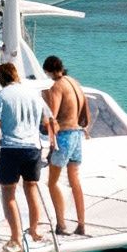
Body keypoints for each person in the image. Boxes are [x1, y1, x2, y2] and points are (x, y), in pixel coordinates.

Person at [0, 61, 53, 252]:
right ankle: (34, 230)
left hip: (11, 148)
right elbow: (46, 122)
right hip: (33, 148)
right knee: (31, 188)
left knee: (8, 194)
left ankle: (15, 237)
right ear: (15, 75)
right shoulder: (34, 96)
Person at [42, 54, 89, 237]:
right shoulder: (74, 82)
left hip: (65, 136)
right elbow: (86, 112)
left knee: (52, 182)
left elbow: (53, 118)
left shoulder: (57, 87)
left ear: (48, 71)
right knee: (75, 179)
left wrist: (51, 144)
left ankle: (61, 225)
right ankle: (81, 224)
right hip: (78, 133)